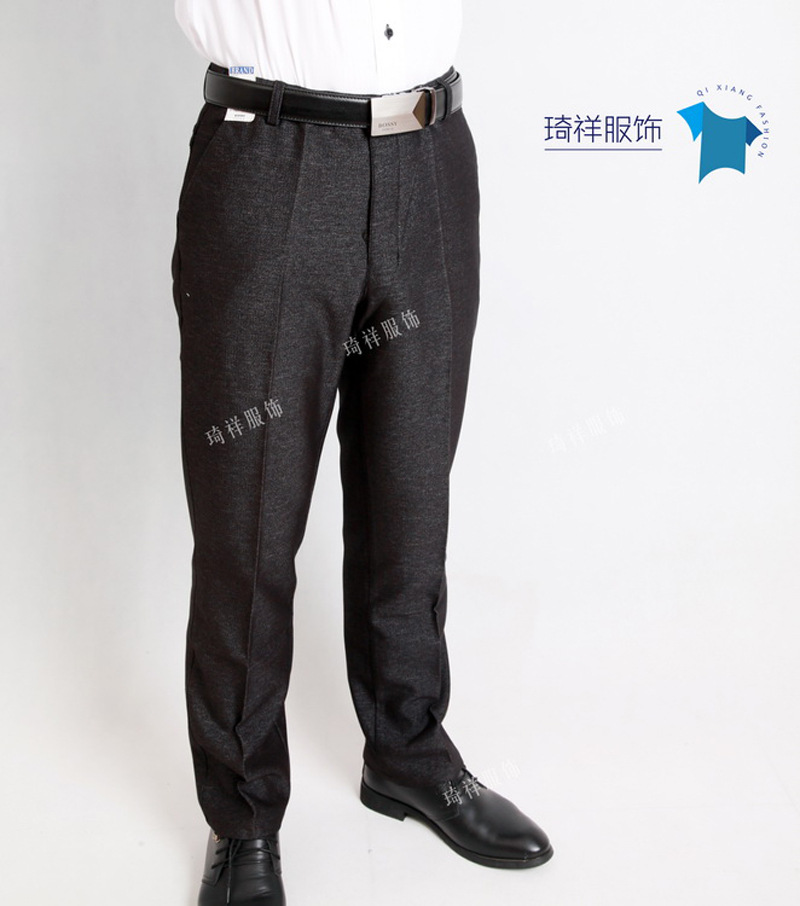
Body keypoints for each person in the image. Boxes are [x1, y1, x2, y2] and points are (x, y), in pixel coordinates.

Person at [171, 2, 553, 903]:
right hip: (271, 159)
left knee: (410, 494)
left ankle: (408, 752)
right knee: (249, 521)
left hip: (430, 155)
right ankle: (243, 815)